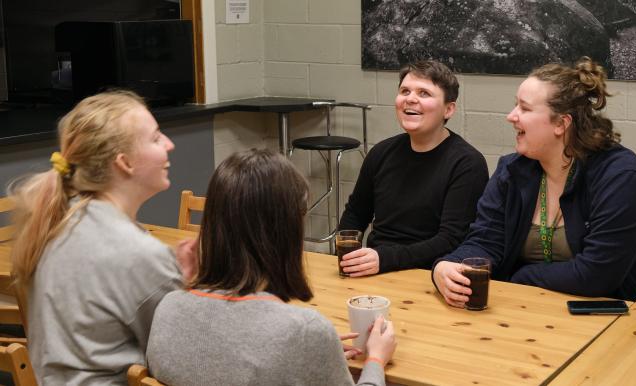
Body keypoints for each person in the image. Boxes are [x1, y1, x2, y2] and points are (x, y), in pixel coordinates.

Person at [146, 149, 397, 386]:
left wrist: (319, 355)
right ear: (286, 231)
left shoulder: (167, 307)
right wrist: (376, 360)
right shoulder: (305, 331)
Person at [433, 57, 636, 305]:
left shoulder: (620, 177)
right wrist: (447, 267)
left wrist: (520, 278)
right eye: (515, 106)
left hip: (617, 316)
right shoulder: (511, 171)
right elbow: (485, 241)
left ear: (561, 124)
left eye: (525, 108)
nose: (511, 116)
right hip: (529, 311)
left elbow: (596, 276)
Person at [9, 90, 196, 385]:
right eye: (156, 137)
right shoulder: (139, 254)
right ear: (125, 163)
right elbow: (183, 360)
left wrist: (173, 280)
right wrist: (184, 286)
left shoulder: (58, 220)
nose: (169, 145)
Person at [338, 60, 488, 277]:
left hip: (430, 275)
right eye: (404, 91)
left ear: (448, 109)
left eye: (424, 93)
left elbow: (450, 241)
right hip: (374, 269)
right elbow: (355, 213)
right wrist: (347, 253)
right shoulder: (381, 153)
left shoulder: (467, 164)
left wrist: (384, 259)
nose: (410, 99)